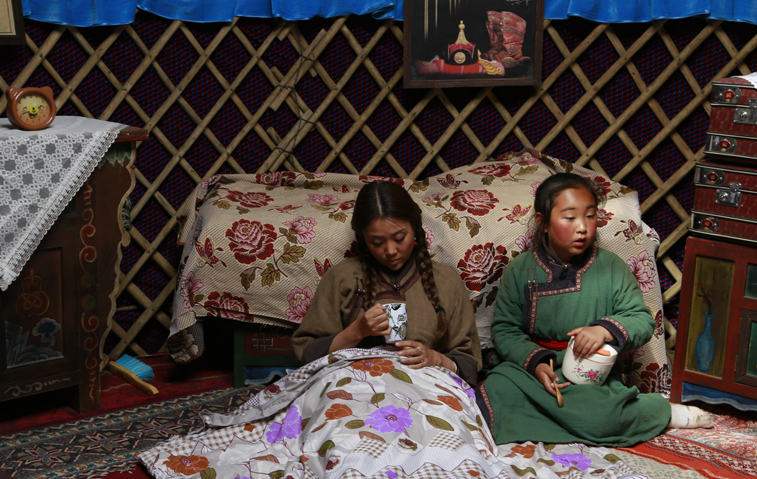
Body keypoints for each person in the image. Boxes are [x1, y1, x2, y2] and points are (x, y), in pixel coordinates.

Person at [483, 172, 712, 446]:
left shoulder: (611, 267)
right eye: (570, 217)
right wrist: (536, 363)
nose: (582, 227)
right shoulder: (520, 270)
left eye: (590, 216)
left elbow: (641, 320)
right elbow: (505, 329)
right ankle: (573, 417)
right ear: (542, 223)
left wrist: (604, 330)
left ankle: (660, 411)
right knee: (494, 391)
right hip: (534, 370)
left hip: (588, 375)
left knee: (599, 416)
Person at [292, 181, 483, 388]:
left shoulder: (445, 282)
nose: (391, 251)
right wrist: (357, 331)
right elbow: (307, 354)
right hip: (354, 389)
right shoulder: (342, 278)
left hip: (425, 391)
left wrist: (436, 359)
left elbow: (469, 363)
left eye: (399, 238)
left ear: (415, 228)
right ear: (363, 239)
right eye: (377, 242)